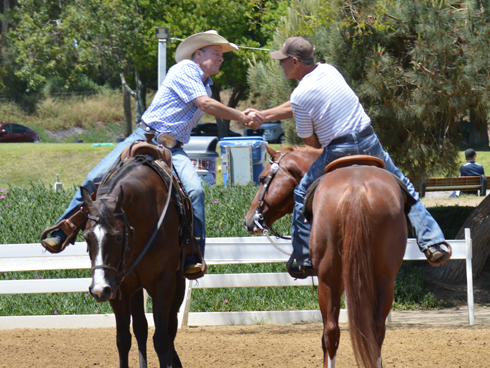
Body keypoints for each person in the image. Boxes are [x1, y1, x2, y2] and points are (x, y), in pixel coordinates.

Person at [41, 30, 262, 278]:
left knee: (196, 192)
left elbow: (206, 102)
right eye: (216, 53)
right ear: (198, 54)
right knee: (96, 177)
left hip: (173, 148)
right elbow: (205, 105)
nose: (221, 59)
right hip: (144, 137)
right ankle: (63, 229)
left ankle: (193, 253)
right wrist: (242, 116)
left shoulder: (206, 85)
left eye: (222, 55)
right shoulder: (186, 69)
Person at [246, 36, 451, 278]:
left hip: (338, 148)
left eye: (282, 61)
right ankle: (433, 242)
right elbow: (296, 104)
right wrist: (263, 115)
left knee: (301, 193)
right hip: (368, 141)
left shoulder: (301, 94)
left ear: (294, 61)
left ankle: (302, 257)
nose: (279, 64)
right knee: (404, 186)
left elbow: (312, 142)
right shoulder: (329, 70)